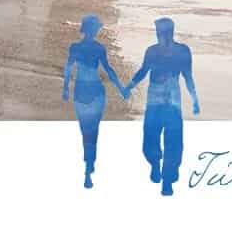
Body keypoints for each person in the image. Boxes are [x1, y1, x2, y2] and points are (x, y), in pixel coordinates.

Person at [127, 17, 199, 196]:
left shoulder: (159, 51)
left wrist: (127, 87)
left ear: (164, 32)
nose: (159, 35)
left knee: (159, 139)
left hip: (160, 104)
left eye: (159, 32)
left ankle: (163, 174)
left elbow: (144, 72)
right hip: (167, 104)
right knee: (168, 141)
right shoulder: (178, 51)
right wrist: (195, 99)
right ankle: (161, 171)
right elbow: (187, 77)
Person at [62, 13, 126, 189]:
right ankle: (89, 165)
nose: (98, 30)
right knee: (93, 130)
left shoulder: (74, 47)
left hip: (81, 91)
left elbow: (68, 69)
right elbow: (109, 70)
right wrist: (122, 88)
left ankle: (88, 163)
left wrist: (65, 89)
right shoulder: (99, 48)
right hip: (96, 91)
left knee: (85, 130)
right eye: (97, 27)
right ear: (94, 29)